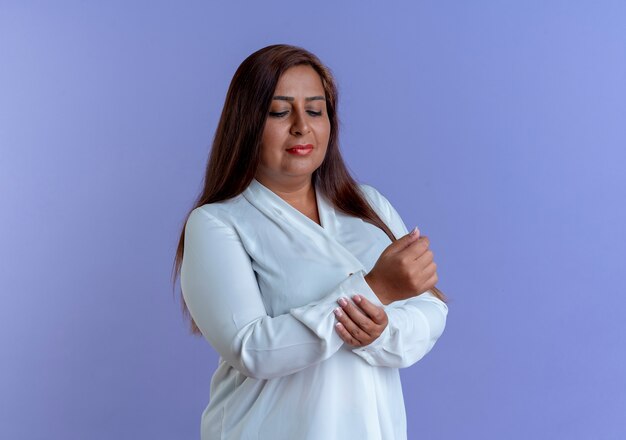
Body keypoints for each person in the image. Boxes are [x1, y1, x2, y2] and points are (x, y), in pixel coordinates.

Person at [172, 44, 449, 440]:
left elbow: (430, 310)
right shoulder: (217, 223)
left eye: (315, 110)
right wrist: (374, 290)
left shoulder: (370, 205)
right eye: (280, 111)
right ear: (247, 123)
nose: (302, 126)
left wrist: (382, 331)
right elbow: (251, 348)